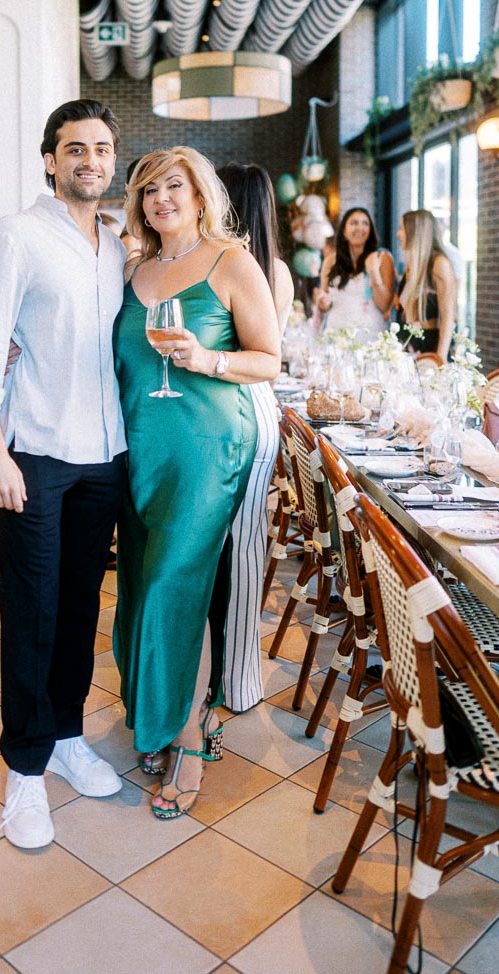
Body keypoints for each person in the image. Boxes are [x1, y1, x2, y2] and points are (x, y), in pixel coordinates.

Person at [0, 99, 127, 850]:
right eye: (74, 148)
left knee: (81, 604)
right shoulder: (14, 236)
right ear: (49, 160)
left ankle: (64, 734)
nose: (89, 159)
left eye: (100, 147)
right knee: (31, 608)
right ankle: (24, 768)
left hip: (107, 456)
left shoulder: (121, 246)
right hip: (35, 451)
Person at [114, 147, 280, 820]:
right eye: (149, 190)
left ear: (201, 194)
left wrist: (205, 357)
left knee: (175, 587)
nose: (160, 199)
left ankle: (185, 743)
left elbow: (269, 359)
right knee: (138, 587)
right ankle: (163, 715)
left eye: (172, 186)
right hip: (140, 449)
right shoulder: (131, 270)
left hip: (209, 446)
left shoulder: (230, 261)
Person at [216, 163, 294, 714]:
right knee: (245, 550)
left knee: (236, 550)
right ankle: (236, 677)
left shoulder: (233, 267)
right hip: (258, 412)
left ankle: (235, 677)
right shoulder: (278, 270)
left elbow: (262, 355)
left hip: (240, 405)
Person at [313, 206, 394, 339]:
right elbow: (325, 303)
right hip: (336, 335)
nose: (359, 228)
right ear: (344, 231)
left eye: (365, 223)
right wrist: (323, 303)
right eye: (354, 223)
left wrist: (373, 272)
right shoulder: (330, 261)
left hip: (370, 336)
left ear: (370, 230)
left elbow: (385, 306)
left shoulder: (382, 257)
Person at [396, 209, 458, 361]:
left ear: (416, 232)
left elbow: (448, 316)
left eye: (402, 229)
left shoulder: (439, 264)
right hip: (408, 345)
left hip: (430, 349)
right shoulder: (412, 265)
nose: (398, 234)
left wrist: (439, 359)